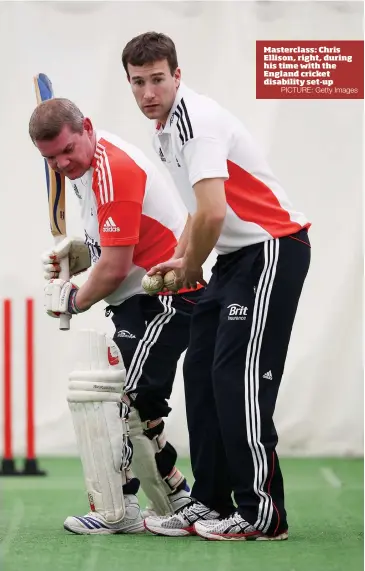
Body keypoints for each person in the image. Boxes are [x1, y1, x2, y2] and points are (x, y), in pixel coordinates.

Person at [121, 31, 311, 541]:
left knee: (237, 379)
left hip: (272, 248)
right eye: (137, 83)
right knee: (202, 374)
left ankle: (262, 513)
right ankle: (208, 503)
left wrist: (187, 269)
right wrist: (179, 259)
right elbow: (195, 212)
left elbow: (214, 212)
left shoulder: (195, 123)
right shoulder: (164, 131)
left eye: (157, 79)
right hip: (232, 259)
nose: (147, 93)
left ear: (176, 76)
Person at [28, 97, 206, 534]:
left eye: (67, 150)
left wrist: (72, 299)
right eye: (50, 158)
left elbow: (116, 267)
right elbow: (110, 247)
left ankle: (119, 509)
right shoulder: (85, 169)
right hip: (136, 299)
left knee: (123, 400)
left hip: (167, 295)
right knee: (134, 403)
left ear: (86, 127)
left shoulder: (114, 170)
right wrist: (81, 255)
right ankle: (177, 497)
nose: (61, 163)